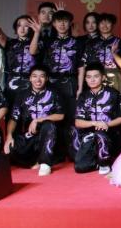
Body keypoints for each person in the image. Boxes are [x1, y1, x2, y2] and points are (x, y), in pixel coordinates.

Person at [31, 10, 83, 155]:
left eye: (65, 21)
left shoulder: (77, 43)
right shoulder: (48, 41)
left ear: (70, 24)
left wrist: (79, 87)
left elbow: (81, 66)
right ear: (53, 24)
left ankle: (72, 152)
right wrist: (37, 33)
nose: (62, 24)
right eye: (59, 21)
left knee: (70, 116)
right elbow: (33, 52)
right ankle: (52, 151)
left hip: (70, 81)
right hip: (51, 82)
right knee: (52, 115)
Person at [4, 65, 63, 176]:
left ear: (46, 78)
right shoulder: (22, 95)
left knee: (48, 125)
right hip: (29, 135)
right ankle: (35, 162)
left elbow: (60, 115)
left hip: (48, 135)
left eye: (42, 76)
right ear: (30, 78)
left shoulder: (54, 94)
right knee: (10, 149)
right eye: (35, 76)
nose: (38, 80)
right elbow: (14, 118)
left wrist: (38, 120)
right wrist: (9, 136)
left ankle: (45, 163)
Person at [73, 63, 121, 174]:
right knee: (80, 167)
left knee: (100, 134)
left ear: (103, 77)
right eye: (89, 77)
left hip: (109, 134)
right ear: (85, 79)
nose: (92, 80)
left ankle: (104, 163)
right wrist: (94, 123)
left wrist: (107, 124)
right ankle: (98, 161)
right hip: (89, 136)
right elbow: (78, 122)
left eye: (96, 76)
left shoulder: (114, 94)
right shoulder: (83, 96)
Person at [81, 13, 121, 94]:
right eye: (102, 23)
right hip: (96, 77)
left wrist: (114, 53)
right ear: (98, 25)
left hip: (114, 77)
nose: (105, 25)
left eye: (108, 22)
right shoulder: (91, 43)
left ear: (112, 24)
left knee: (115, 100)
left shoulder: (119, 42)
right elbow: (85, 64)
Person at [0, 15, 41, 98]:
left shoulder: (38, 42)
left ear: (31, 28)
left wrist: (37, 33)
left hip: (30, 82)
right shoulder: (10, 42)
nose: (22, 29)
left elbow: (32, 52)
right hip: (12, 83)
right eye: (19, 25)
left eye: (26, 26)